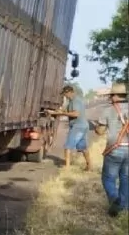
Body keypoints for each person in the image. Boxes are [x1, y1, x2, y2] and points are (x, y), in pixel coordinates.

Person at [94, 82, 129, 217]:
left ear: (115, 96)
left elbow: (101, 131)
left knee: (108, 178)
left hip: (115, 149)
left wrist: (97, 128)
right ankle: (124, 207)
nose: (110, 98)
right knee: (126, 178)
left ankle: (115, 200)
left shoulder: (108, 110)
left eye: (111, 95)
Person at [47, 85, 92, 170]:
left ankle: (67, 168)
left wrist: (61, 114)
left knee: (68, 146)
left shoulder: (76, 101)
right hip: (82, 126)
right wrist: (53, 112)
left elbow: (75, 114)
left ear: (69, 92)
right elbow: (64, 111)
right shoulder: (71, 102)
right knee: (83, 148)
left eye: (65, 94)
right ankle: (89, 166)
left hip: (78, 126)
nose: (64, 96)